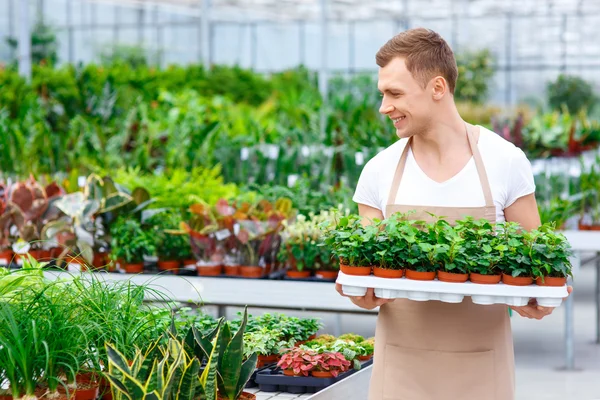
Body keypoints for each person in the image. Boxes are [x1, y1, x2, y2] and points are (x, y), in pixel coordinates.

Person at [335, 28, 572, 400]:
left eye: (394, 94)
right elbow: (365, 272)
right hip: (400, 369)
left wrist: (536, 300)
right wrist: (361, 294)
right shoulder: (378, 170)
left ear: (438, 88)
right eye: (383, 94)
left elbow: (536, 263)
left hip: (481, 368)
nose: (384, 107)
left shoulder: (505, 161)